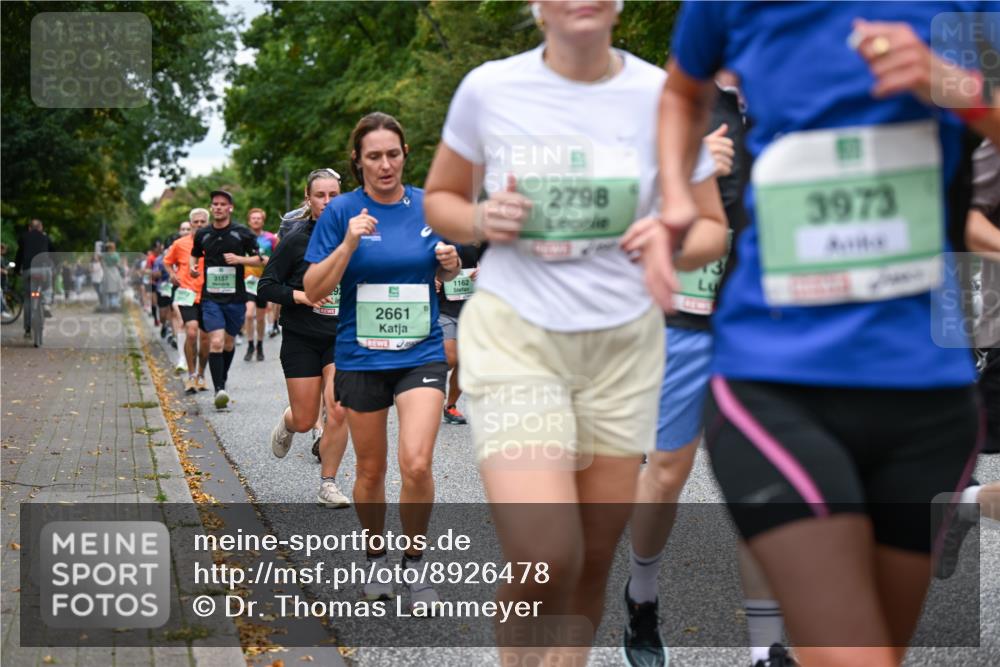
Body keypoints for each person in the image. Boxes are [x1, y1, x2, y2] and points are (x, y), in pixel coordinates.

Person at [661, 3, 987, 665]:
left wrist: (944, 82)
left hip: (925, 393)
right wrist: (675, 191)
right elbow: (678, 92)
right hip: (773, 376)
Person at [423, 1, 725, 662]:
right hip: (517, 337)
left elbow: (710, 227)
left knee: (589, 560)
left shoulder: (664, 96)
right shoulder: (490, 88)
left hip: (622, 349)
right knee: (545, 554)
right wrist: (480, 218)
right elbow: (439, 198)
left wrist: (670, 238)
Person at [304, 112, 461, 607]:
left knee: (415, 463)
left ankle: (415, 568)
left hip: (420, 353)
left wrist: (452, 265)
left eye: (393, 153)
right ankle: (375, 558)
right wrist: (349, 243)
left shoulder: (428, 207)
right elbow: (313, 289)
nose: (385, 164)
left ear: (405, 154)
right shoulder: (340, 213)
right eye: (374, 155)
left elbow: (451, 275)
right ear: (358, 161)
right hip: (360, 355)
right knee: (370, 472)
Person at [259, 168, 350, 507]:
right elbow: (266, 286)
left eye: (333, 195)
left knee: (338, 408)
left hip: (341, 336)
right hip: (302, 337)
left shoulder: (355, 238)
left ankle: (328, 484)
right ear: (309, 199)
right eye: (320, 196)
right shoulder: (296, 239)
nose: (327, 202)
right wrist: (303, 296)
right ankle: (288, 423)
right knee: (304, 417)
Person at [190, 190, 262, 409]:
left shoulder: (242, 233)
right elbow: (195, 253)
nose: (218, 207)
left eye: (223, 204)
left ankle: (222, 379)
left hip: (236, 298)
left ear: (230, 207)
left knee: (229, 343)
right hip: (210, 298)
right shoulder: (203, 234)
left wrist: (240, 259)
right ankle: (219, 389)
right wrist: (194, 267)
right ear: (212, 207)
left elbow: (260, 259)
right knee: (217, 341)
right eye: (215, 204)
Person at [436, 243, 483, 425]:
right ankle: (428, 391)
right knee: (451, 357)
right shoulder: (436, 235)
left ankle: (450, 406)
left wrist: (483, 270)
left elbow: (495, 258)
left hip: (470, 307)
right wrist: (431, 277)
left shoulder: (476, 236)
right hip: (442, 308)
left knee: (465, 361)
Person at [166, 210, 211, 393]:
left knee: (206, 338)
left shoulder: (213, 241)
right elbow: (167, 261)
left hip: (209, 294)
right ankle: (191, 375)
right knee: (191, 333)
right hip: (187, 293)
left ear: (207, 223)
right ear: (190, 223)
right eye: (195, 222)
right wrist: (172, 275)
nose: (199, 224)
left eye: (202, 222)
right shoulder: (179, 244)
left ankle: (201, 374)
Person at [243, 208, 277, 361]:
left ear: (263, 221)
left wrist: (266, 261)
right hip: (247, 282)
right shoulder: (243, 237)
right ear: (249, 221)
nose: (256, 220)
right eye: (253, 218)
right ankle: (250, 344)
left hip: (263, 282)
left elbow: (279, 259)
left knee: (261, 318)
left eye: (259, 218)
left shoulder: (271, 239)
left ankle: (260, 345)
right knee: (249, 314)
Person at [15, 219, 55, 336]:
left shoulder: (24, 237)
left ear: (29, 227)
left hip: (29, 270)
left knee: (29, 298)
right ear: (40, 227)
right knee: (47, 288)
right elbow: (54, 252)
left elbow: (19, 255)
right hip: (44, 269)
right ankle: (46, 303)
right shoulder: (45, 237)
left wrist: (17, 270)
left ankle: (27, 329)